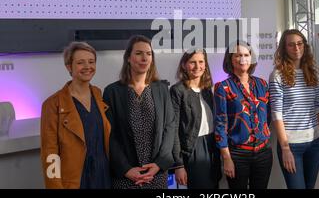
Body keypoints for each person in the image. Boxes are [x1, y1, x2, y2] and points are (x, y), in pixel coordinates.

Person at [103, 35, 175, 189]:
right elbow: (109, 135)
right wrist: (126, 169)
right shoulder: (112, 92)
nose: (144, 58)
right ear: (128, 58)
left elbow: (170, 127)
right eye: (138, 53)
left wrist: (159, 164)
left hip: (155, 173)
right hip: (126, 175)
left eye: (149, 54)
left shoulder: (161, 89)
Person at [40, 42, 111, 189]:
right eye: (80, 62)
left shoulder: (98, 94)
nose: (87, 67)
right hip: (76, 181)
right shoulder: (53, 104)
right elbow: (50, 154)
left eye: (91, 62)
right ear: (68, 66)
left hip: (103, 176)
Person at [269, 29, 319, 189]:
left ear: (305, 46)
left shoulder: (311, 73)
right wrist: (285, 148)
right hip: (292, 145)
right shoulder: (277, 75)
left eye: (300, 44)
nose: (296, 48)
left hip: (315, 143)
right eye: (291, 45)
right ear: (284, 48)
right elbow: (276, 115)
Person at [214, 40, 272, 189]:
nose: (242, 59)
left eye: (246, 55)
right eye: (237, 55)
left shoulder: (263, 84)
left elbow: (268, 116)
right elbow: (220, 125)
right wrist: (226, 158)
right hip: (237, 155)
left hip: (263, 153)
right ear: (230, 59)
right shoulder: (223, 87)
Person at [171, 49, 221, 189]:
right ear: (184, 65)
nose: (197, 66)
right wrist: (179, 164)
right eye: (192, 62)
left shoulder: (207, 89)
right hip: (193, 149)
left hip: (212, 145)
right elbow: (173, 130)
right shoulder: (177, 90)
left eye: (201, 62)